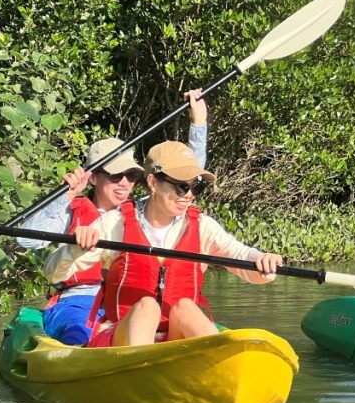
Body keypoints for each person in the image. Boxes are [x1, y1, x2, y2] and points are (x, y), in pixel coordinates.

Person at [45, 141, 283, 348]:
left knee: (186, 308)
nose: (189, 195)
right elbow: (53, 273)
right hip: (121, 337)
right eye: (181, 186)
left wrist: (262, 261)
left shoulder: (202, 226)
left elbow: (242, 257)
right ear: (153, 182)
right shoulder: (115, 223)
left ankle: (222, 365)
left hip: (173, 337)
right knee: (147, 306)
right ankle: (139, 369)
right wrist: (76, 247)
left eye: (196, 186)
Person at [18, 91, 209, 345]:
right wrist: (62, 197)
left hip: (130, 301)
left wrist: (198, 123)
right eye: (114, 175)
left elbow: (186, 181)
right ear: (93, 177)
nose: (124, 183)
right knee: (81, 336)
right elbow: (25, 240)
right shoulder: (73, 210)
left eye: (130, 175)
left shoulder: (143, 213)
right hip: (80, 300)